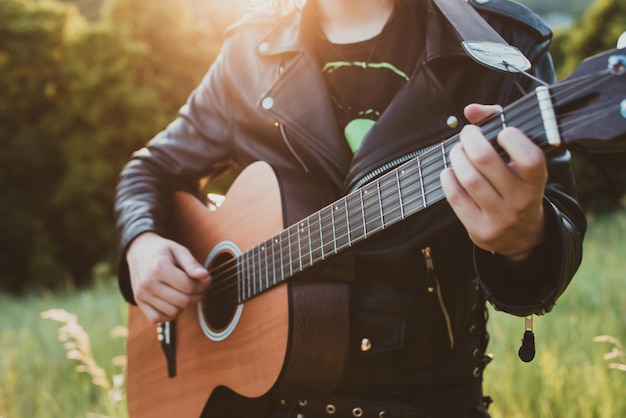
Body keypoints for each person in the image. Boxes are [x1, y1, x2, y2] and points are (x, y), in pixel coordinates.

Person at [114, 0, 587, 417]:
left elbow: (559, 227)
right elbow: (151, 169)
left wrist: (525, 239)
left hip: (426, 405)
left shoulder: (495, 43)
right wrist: (143, 242)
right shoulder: (247, 54)